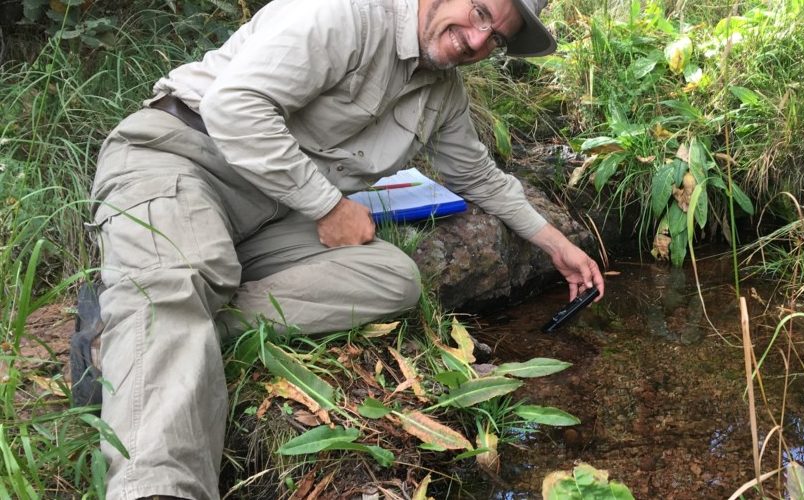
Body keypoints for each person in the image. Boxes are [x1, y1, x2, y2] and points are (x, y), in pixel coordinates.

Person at [83, 0, 605, 497]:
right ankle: (157, 486)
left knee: (393, 278)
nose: (475, 40)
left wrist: (558, 246)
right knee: (179, 280)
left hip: (272, 213)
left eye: (495, 39)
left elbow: (479, 176)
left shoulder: (442, 91)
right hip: (182, 156)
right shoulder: (347, 14)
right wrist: (329, 206)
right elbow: (234, 105)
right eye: (479, 13)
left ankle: (162, 334)